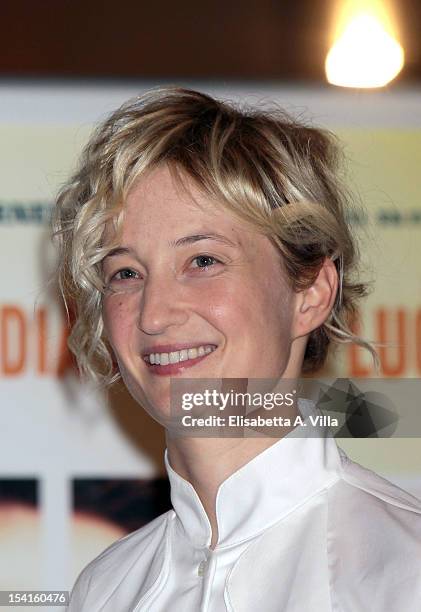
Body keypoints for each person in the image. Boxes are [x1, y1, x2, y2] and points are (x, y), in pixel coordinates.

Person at [54, 88, 421, 611]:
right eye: (126, 273)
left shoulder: (407, 571)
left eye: (202, 261)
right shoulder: (105, 591)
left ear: (311, 292)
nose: (154, 315)